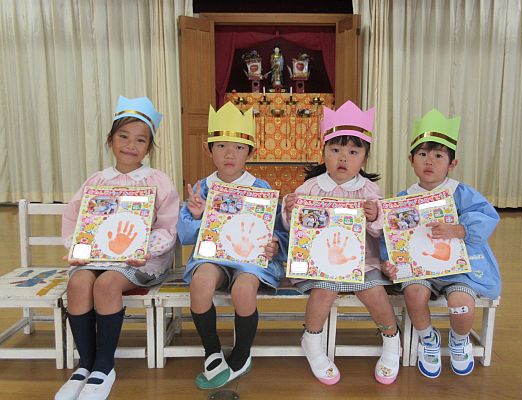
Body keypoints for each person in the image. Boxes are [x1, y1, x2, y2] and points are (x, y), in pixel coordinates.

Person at [55, 96, 180, 400]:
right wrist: (77, 247)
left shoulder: (158, 181)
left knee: (107, 284)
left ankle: (104, 366)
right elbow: (74, 217)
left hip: (140, 262)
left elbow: (168, 226)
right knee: (79, 283)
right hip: (97, 257)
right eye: (123, 136)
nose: (130, 145)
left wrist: (144, 249)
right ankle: (84, 365)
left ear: (149, 148)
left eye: (140, 140)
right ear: (110, 140)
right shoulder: (96, 181)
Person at [282, 100, 401, 385]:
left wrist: (375, 217)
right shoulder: (309, 188)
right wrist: (289, 211)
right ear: (323, 152)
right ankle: (311, 340)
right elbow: (293, 229)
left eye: (353, 152)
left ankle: (391, 338)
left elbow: (383, 233)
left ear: (365, 158)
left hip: (361, 262)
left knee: (375, 291)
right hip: (318, 263)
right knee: (324, 290)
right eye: (335, 150)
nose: (343, 158)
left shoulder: (369, 190)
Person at [382, 108, 501, 378]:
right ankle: (428, 339)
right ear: (411, 159)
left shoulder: (460, 192)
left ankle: (459, 340)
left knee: (461, 304)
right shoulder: (403, 198)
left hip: (459, 271)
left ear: (452, 163)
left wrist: (460, 229)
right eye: (423, 154)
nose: (430, 162)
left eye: (438, 156)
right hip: (420, 270)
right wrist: (390, 260)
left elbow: (486, 216)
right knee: (413, 295)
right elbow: (391, 236)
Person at [177, 102, 288, 390]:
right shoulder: (202, 188)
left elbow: (277, 230)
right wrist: (197, 216)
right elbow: (185, 235)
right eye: (222, 146)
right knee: (201, 282)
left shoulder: (261, 189)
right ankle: (212, 350)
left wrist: (274, 245)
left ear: (250, 152)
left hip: (250, 261)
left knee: (243, 288)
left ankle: (241, 353)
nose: (229, 154)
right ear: (208, 149)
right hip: (213, 258)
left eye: (239, 147)